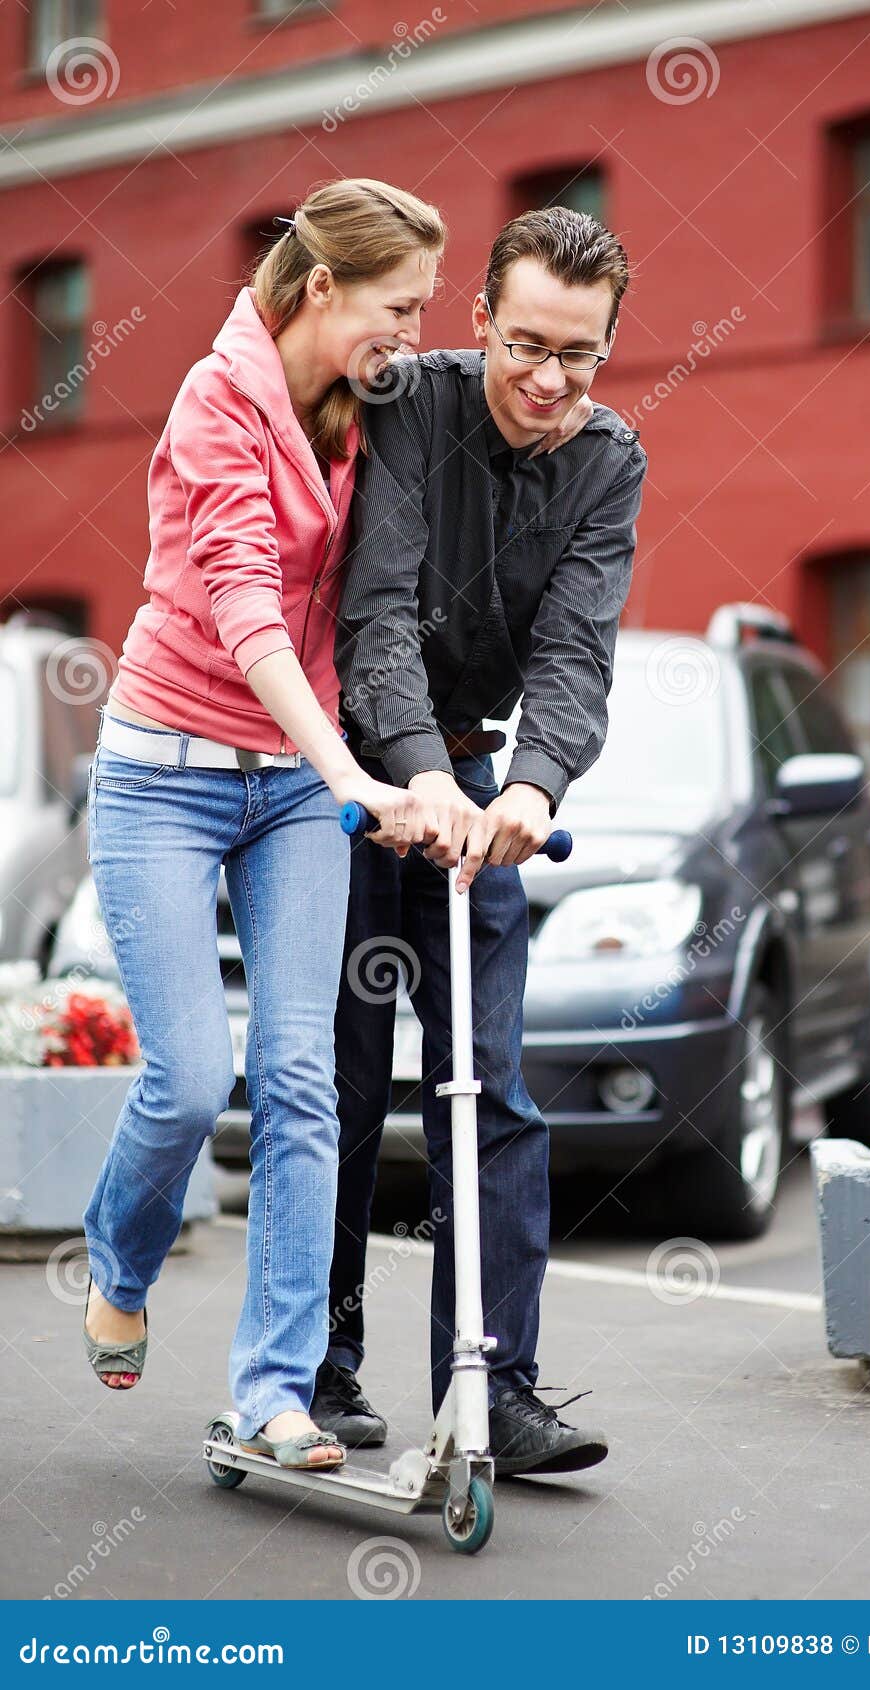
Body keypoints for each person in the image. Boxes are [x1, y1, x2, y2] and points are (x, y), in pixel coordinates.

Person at [80, 178, 449, 1470]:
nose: (412, 330)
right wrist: (348, 769)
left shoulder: (371, 402)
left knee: (299, 1077)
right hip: (166, 772)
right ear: (319, 290)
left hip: (294, 785)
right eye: (396, 306)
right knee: (186, 1080)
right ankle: (117, 1263)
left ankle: (273, 1390)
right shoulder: (211, 402)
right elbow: (242, 607)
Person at [315, 206, 648, 1477]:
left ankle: (494, 1389)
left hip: (477, 782)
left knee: (492, 1091)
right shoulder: (412, 402)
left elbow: (575, 650)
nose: (549, 380)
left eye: (580, 353)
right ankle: (321, 1371)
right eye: (525, 346)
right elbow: (377, 611)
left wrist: (533, 789)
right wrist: (415, 779)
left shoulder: (607, 458)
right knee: (343, 1081)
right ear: (480, 323)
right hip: (356, 772)